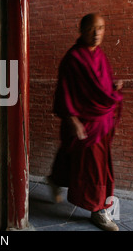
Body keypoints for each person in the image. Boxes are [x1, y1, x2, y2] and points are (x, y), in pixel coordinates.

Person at [47, 13, 123, 231]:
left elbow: (101, 87)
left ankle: (55, 179)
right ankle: (98, 211)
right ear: (81, 30)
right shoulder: (73, 59)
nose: (96, 33)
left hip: (101, 122)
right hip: (84, 123)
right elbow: (64, 93)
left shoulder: (100, 56)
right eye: (91, 28)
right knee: (95, 169)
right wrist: (72, 120)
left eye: (101, 28)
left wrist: (112, 88)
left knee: (72, 158)